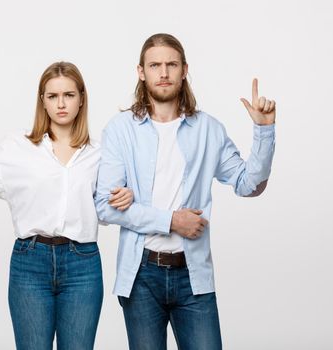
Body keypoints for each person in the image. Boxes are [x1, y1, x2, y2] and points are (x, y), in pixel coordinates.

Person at [95, 33, 276, 349]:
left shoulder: (209, 129)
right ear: (141, 71)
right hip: (141, 277)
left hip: (193, 274)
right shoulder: (120, 130)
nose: (163, 73)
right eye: (155, 65)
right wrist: (171, 221)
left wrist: (264, 130)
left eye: (171, 64)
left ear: (184, 69)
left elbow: (249, 186)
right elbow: (105, 207)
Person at [0, 61, 133, 350]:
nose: (61, 104)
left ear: (81, 99)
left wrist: (125, 198)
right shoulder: (19, 146)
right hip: (30, 261)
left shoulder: (99, 153)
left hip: (82, 264)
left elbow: (106, 210)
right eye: (52, 96)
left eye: (69, 95)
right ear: (43, 101)